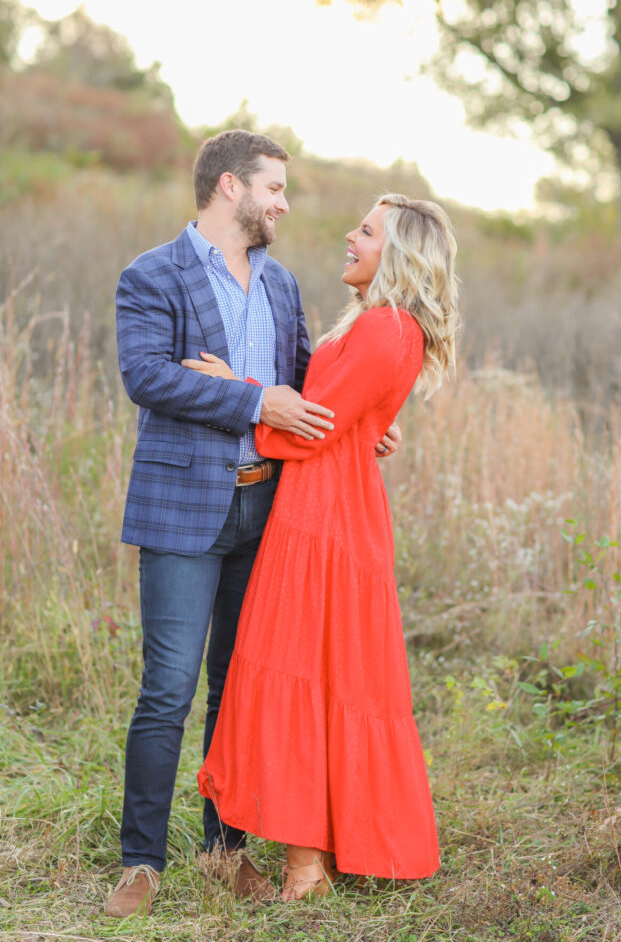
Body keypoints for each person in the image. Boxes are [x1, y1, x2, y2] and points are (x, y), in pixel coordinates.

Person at [107, 130, 401, 918]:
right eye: (274, 188)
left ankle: (223, 849)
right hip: (181, 511)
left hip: (269, 510)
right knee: (166, 690)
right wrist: (249, 398)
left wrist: (358, 421)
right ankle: (141, 862)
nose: (284, 203)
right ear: (231, 187)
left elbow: (308, 382)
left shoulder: (281, 286)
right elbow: (145, 376)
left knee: (238, 690)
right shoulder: (152, 274)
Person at [193, 193, 460, 900]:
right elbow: (339, 411)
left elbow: (304, 426)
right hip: (330, 505)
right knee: (320, 679)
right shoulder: (386, 326)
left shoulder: (384, 328)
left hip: (325, 517)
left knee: (306, 680)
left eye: (366, 232)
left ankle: (306, 864)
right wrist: (363, 419)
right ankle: (318, 854)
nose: (350, 236)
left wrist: (237, 388)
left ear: (396, 254)